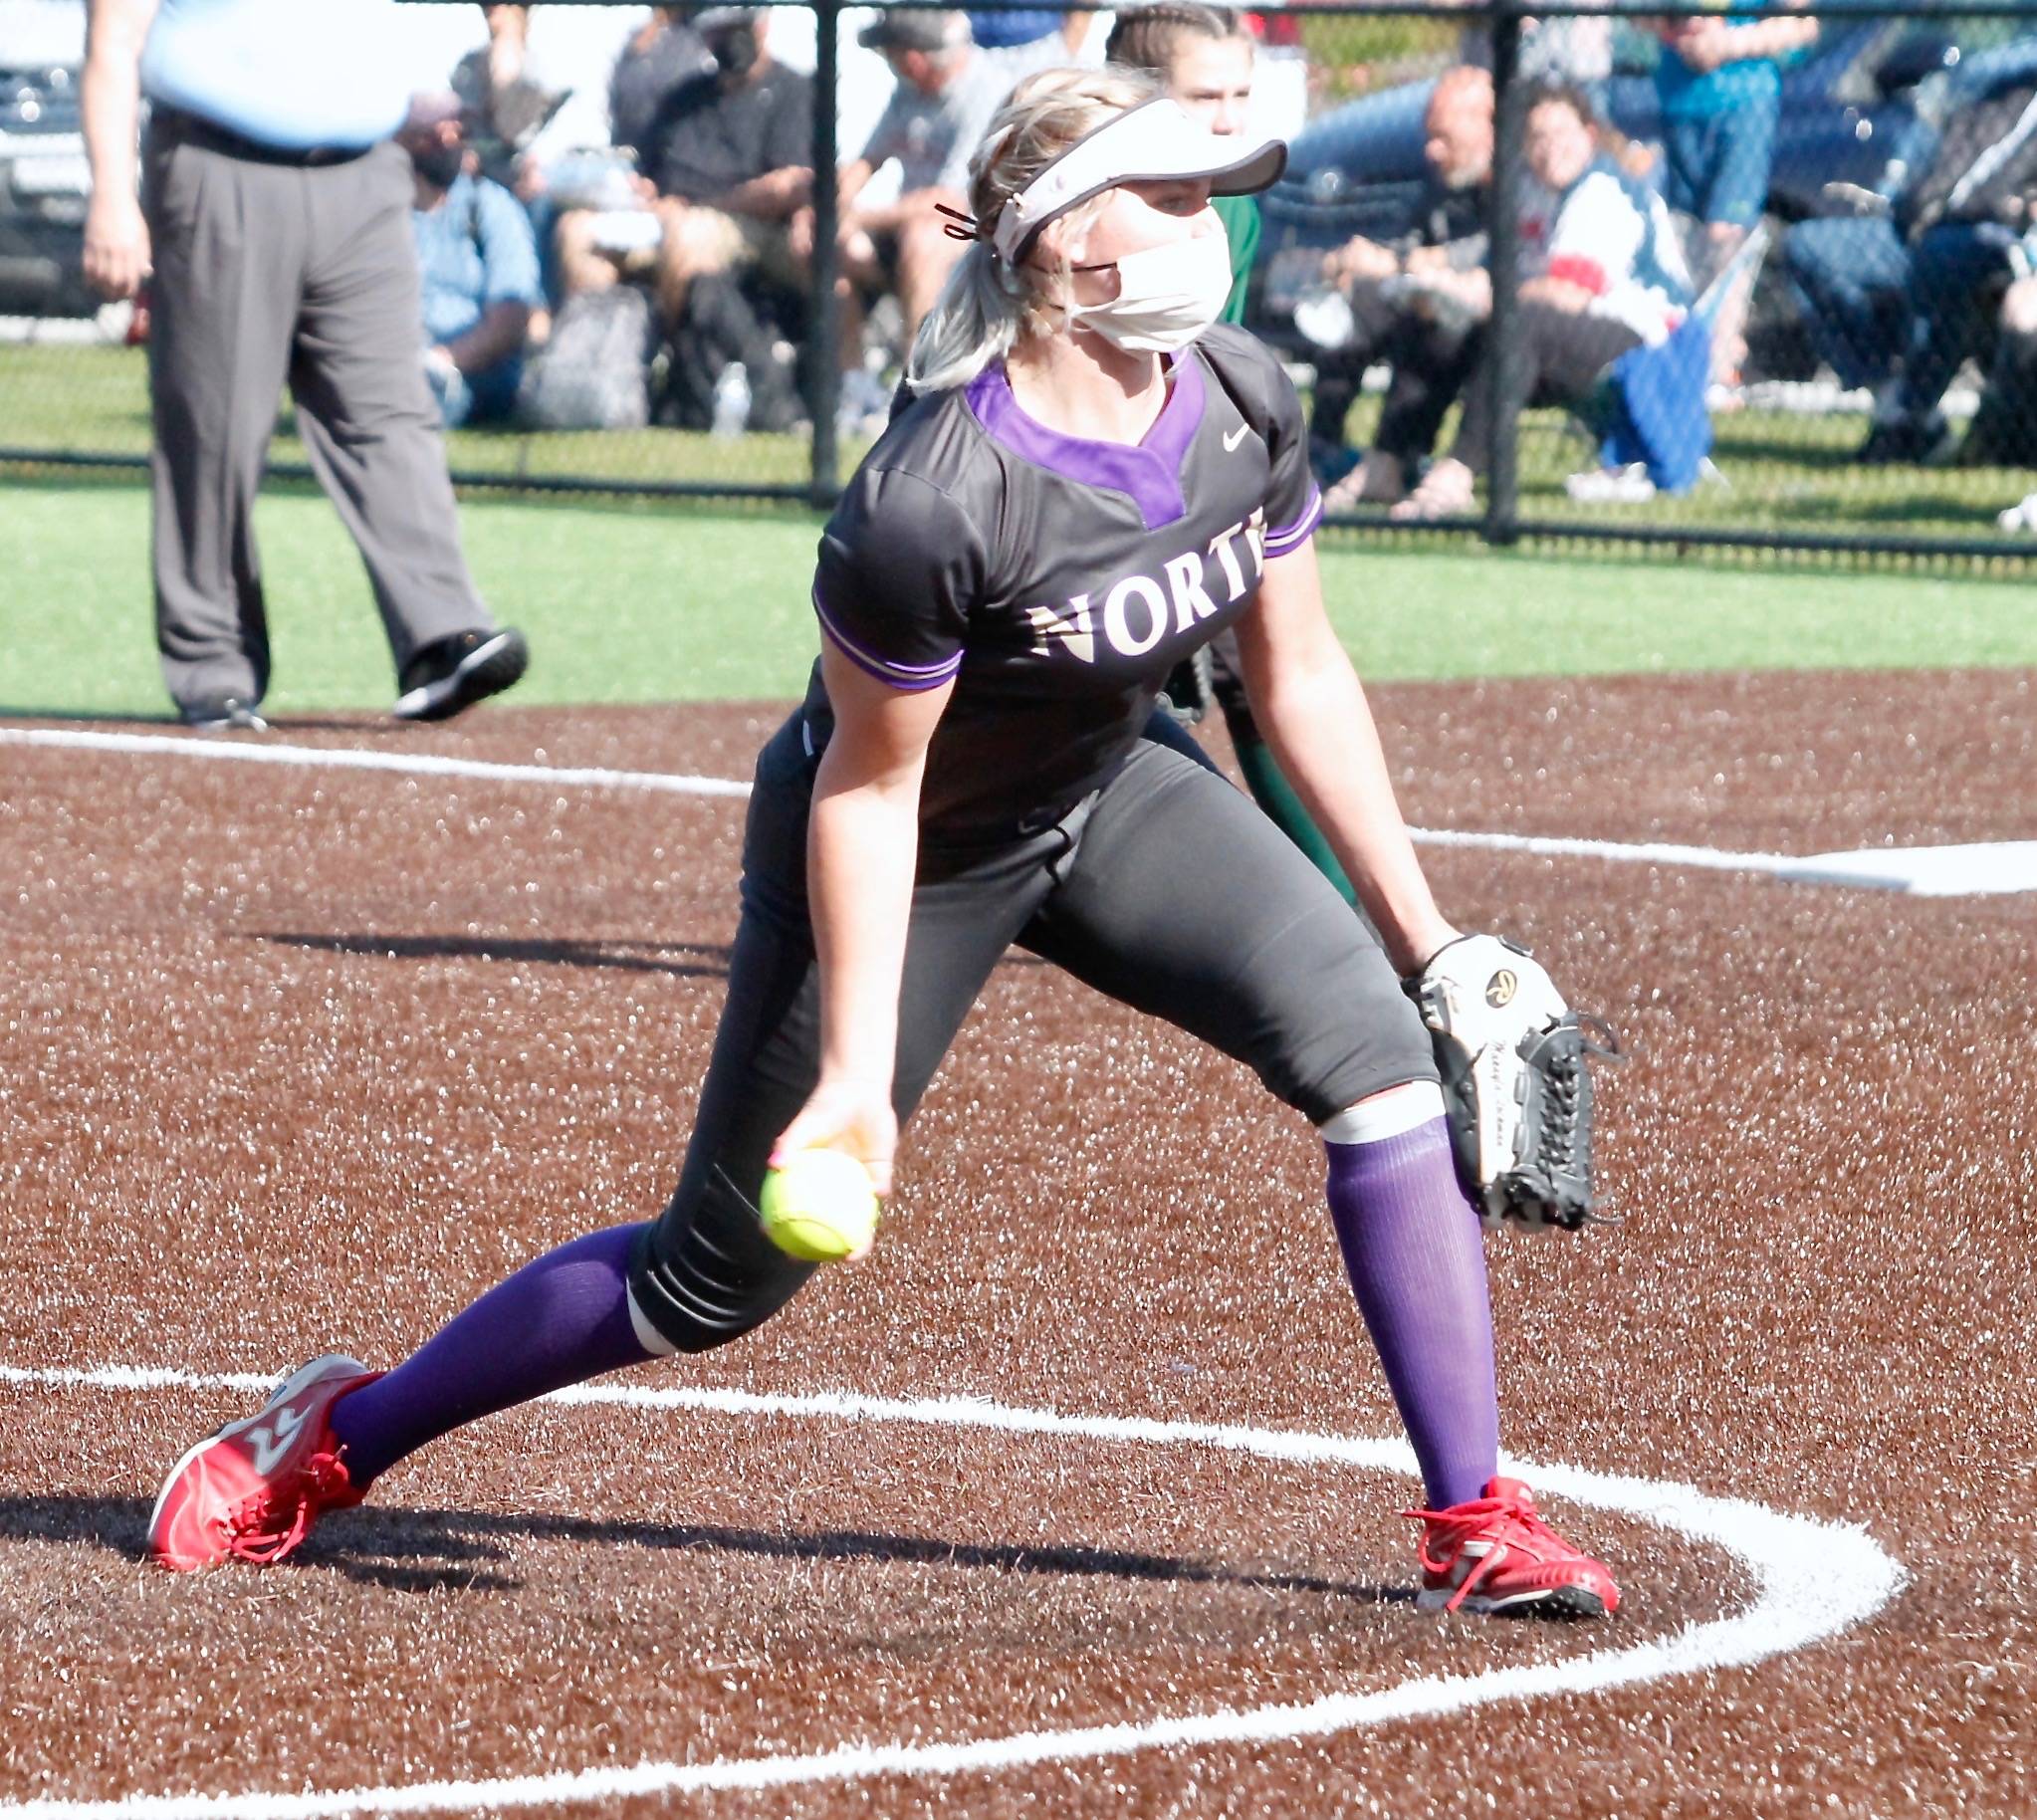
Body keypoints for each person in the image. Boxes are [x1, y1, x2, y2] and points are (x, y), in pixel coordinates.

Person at [145, 72, 1622, 1622]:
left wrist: (1426, 937)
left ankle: (1474, 1516)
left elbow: (1294, 668)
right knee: (708, 1285)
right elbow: (866, 790)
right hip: (904, 845)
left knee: (1381, 1063)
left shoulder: (1240, 393)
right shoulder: (933, 497)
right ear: (1058, 239)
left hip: (1108, 789)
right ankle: (339, 1432)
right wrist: (856, 1077)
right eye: (1174, 198)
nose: (1212, 233)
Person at [80, 0, 532, 732]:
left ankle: (440, 636)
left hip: (367, 171)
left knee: (390, 409)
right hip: (220, 163)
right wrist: (109, 193)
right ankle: (214, 669)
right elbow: (113, 34)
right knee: (214, 428)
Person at [1103, 5, 1361, 911]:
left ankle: (1339, 909)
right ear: (1130, 100)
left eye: (1241, 93)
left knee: (1254, 664)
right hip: (1062, 472)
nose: (1228, 116)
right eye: (1202, 94)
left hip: (1180, 454)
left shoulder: (1232, 196)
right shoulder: (1079, 199)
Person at [1392, 84, 1691, 521]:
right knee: (1439, 323)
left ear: (1590, 134)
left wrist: (1482, 295)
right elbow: (1500, 273)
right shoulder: (1531, 192)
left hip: (1645, 347)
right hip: (1553, 337)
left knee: (1523, 321)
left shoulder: (1602, 191)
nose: (1550, 148)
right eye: (1538, 137)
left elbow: (1564, 296)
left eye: (1562, 134)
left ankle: (1456, 475)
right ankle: (1388, 461)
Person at [1782, 74, 2037, 466]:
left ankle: (1912, 412)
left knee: (1939, 259)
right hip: (1913, 230)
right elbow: (1938, 178)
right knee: (1807, 246)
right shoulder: (1993, 96)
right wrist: (1915, 206)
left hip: (1991, 237)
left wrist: (2017, 206)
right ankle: (1888, 392)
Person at [1314, 65, 1495, 512]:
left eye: (1445, 138)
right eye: (1429, 136)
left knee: (1433, 322)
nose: (1432, 151)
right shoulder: (1444, 182)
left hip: (1485, 316)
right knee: (1358, 304)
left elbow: (1490, 257)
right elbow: (1411, 242)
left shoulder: (1514, 183)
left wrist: (1395, 264)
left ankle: (1402, 461)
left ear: (1487, 130)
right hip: (1425, 298)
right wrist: (1358, 260)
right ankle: (1319, 450)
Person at [1651, 2, 1816, 390]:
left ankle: (1721, 365)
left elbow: (1802, 25)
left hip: (1743, 104)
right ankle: (1688, 360)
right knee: (1683, 241)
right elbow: (1637, 15)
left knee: (1726, 234)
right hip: (1679, 104)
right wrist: (1676, 31)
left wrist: (1728, 43)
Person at [837, 10, 1008, 350]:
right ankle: (853, 380)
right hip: (902, 222)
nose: (888, 61)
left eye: (891, 52)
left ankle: (917, 379)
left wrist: (860, 216)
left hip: (976, 233)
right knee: (830, 243)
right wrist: (830, 207)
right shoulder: (907, 93)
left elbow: (949, 203)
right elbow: (866, 162)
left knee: (923, 240)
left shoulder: (986, 91)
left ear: (913, 58)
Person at [400, 93, 545, 428]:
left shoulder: (491, 207)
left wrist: (440, 361)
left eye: (460, 131)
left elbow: (511, 316)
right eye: (438, 134)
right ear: (404, 140)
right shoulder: (378, 212)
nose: (452, 141)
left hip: (470, 373)